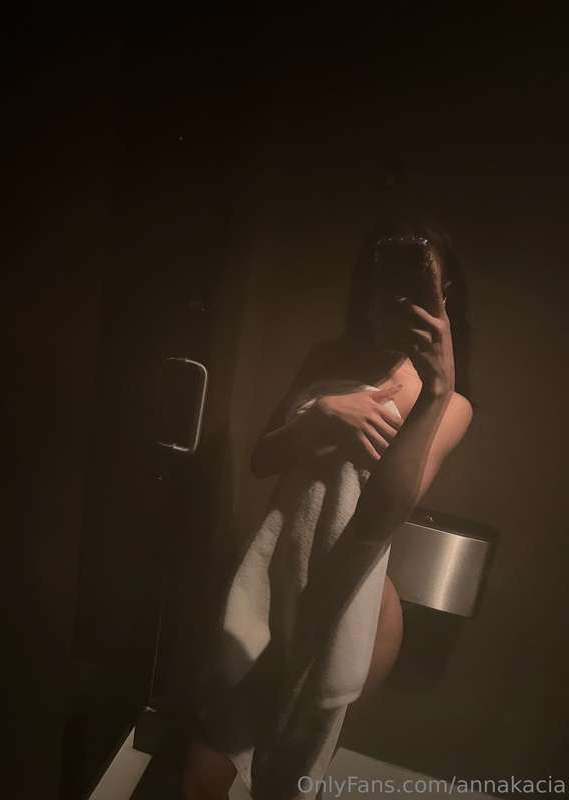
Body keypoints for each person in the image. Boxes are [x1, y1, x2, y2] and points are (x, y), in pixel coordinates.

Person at [181, 212, 476, 800]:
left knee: (289, 775)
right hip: (272, 581)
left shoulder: (452, 406)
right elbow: (263, 460)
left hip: (351, 601)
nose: (397, 299)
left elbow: (382, 518)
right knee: (204, 767)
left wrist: (437, 391)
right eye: (383, 280)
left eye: (417, 286)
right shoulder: (325, 360)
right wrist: (320, 416)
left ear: (443, 295)